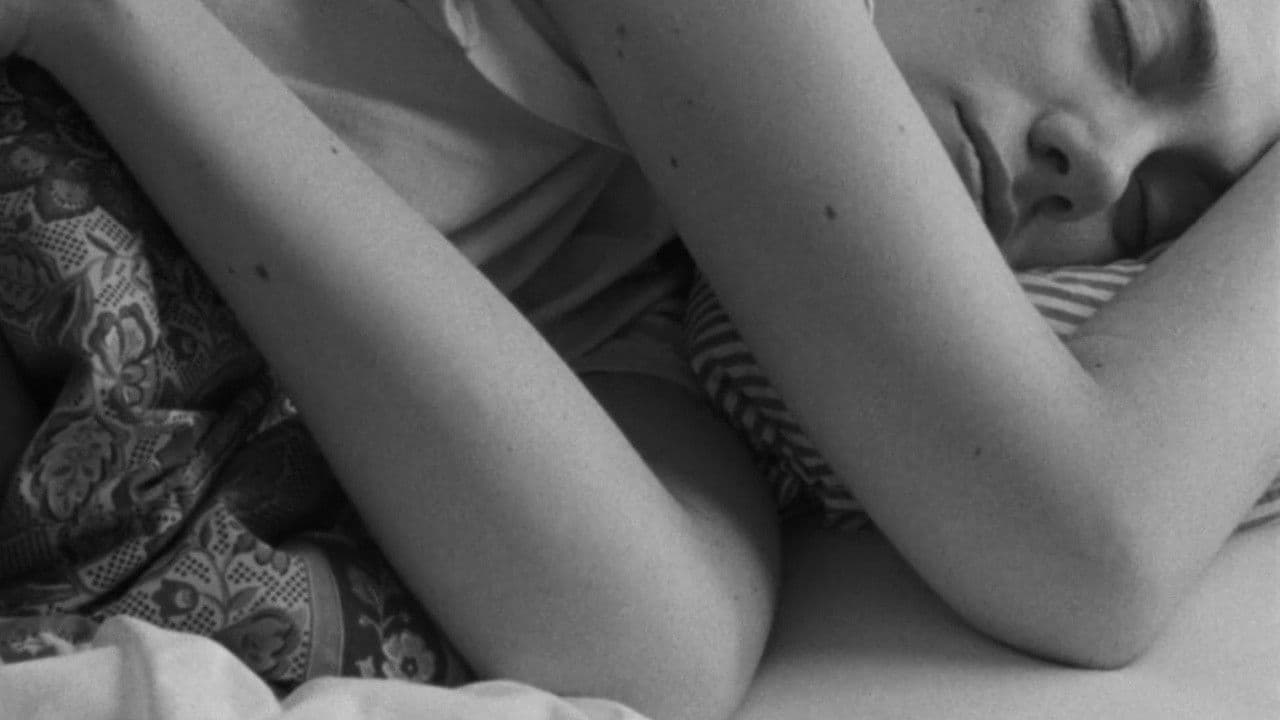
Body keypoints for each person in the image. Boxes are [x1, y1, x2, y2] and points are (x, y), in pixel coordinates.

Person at [1, 0, 1279, 719]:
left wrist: (120, 29)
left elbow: (659, 653)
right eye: (1125, 29)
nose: (1097, 167)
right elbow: (1084, 531)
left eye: (1156, 211)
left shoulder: (620, 228)